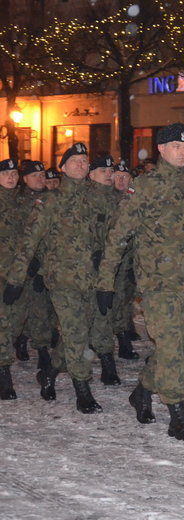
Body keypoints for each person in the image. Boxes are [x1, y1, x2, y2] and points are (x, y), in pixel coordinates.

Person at [96, 123, 184, 441]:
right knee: (171, 351)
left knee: (177, 349)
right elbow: (118, 236)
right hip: (158, 285)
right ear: (160, 150)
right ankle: (178, 416)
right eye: (175, 147)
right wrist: (106, 282)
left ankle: (142, 391)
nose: (182, 152)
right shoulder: (144, 187)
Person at [3, 144, 106, 413]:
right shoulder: (50, 201)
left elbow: (106, 235)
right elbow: (30, 241)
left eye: (85, 160)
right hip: (62, 281)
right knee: (74, 333)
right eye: (75, 161)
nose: (81, 165)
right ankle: (82, 390)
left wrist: (102, 258)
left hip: (91, 280)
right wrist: (16, 279)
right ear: (62, 167)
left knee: (80, 335)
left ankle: (48, 374)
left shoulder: (96, 199)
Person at [16, 161, 58, 372]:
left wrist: (42, 262)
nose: (40, 179)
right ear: (25, 179)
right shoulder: (17, 201)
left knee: (42, 308)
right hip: (21, 264)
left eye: (42, 175)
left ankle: (41, 348)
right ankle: (21, 338)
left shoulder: (52, 200)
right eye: (35, 176)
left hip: (45, 263)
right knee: (21, 308)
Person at [87, 154, 122, 386]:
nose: (109, 175)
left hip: (113, 266)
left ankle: (102, 354)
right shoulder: (85, 199)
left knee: (106, 313)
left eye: (111, 171)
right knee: (97, 315)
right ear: (92, 175)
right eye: (103, 171)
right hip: (88, 267)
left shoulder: (119, 199)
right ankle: (106, 360)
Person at [109, 161, 139, 360]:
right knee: (117, 297)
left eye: (124, 176)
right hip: (114, 259)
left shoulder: (135, 199)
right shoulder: (105, 199)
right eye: (117, 176)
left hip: (133, 258)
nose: (120, 179)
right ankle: (121, 339)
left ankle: (126, 325)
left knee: (128, 295)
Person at [0, 159, 24, 399]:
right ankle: (4, 373)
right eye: (6, 173)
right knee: (3, 324)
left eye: (14, 173)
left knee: (16, 322)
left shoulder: (22, 202)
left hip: (19, 274)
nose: (11, 177)